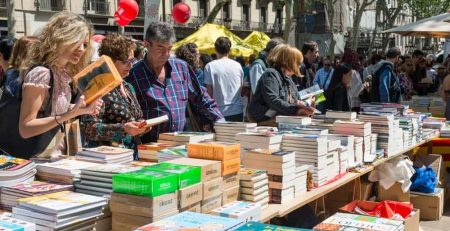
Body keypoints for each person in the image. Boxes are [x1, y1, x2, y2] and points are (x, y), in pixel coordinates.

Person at [18, 12, 102, 159]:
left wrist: (81, 109)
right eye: (77, 42)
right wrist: (69, 114)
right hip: (39, 160)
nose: (82, 49)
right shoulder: (42, 73)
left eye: (85, 45)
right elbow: (26, 128)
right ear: (60, 38)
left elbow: (51, 111)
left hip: (58, 157)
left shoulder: (63, 74)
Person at [126, 22, 223, 143]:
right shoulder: (133, 75)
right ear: (147, 44)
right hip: (150, 147)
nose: (166, 54)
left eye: (169, 49)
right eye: (160, 48)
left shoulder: (181, 68)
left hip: (181, 144)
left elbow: (201, 97)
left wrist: (221, 123)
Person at [80, 34, 150, 159]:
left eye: (132, 61)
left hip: (130, 156)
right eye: (125, 62)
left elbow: (135, 118)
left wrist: (141, 125)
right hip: (107, 159)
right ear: (109, 61)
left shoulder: (128, 87)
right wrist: (123, 129)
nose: (131, 65)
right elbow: (89, 128)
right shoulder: (98, 88)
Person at [248, 44, 315, 126]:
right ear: (289, 61)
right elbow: (273, 100)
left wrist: (304, 104)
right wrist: (296, 110)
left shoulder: (288, 78)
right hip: (265, 118)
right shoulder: (271, 74)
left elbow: (296, 99)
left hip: (281, 118)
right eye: (298, 62)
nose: (300, 66)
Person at [204, 37, 243, 122]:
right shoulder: (237, 65)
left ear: (215, 49)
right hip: (237, 110)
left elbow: (209, 93)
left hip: (218, 112)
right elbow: (240, 88)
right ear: (229, 49)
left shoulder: (210, 66)